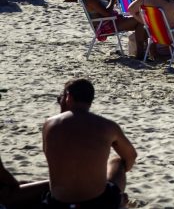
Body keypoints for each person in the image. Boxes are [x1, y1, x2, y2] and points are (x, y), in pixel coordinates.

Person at [43, 78, 137, 208]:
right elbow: (131, 156)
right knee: (117, 162)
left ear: (68, 97)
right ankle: (118, 200)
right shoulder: (108, 126)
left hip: (58, 203)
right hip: (98, 203)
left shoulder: (49, 124)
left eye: (62, 97)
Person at [79, 0, 152, 55]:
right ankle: (141, 53)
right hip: (105, 25)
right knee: (139, 21)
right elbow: (106, 13)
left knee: (139, 19)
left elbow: (105, 11)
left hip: (108, 21)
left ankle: (144, 51)